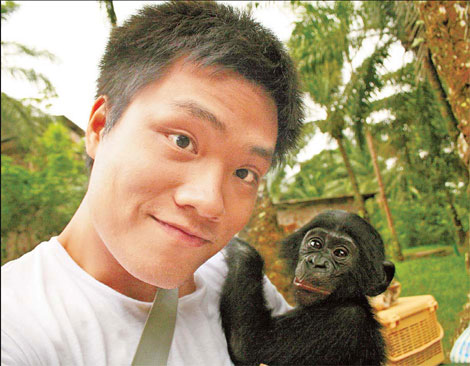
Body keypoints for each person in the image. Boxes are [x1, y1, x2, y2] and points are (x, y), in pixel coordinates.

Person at [1, 1, 304, 365]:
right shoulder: (16, 325)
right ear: (100, 127)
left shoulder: (235, 281)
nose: (210, 202)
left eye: (244, 173)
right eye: (182, 140)